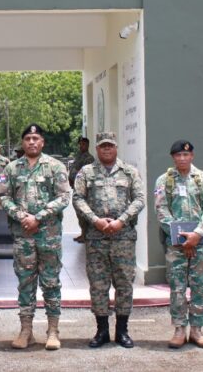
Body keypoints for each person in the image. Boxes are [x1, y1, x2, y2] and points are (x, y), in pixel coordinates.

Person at [0, 124, 70, 350]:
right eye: (28, 138)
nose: (31, 142)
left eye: (36, 138)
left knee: (51, 283)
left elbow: (64, 197)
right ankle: (26, 331)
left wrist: (38, 217)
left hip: (48, 236)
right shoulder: (11, 168)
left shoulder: (55, 166)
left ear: (42, 142)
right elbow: (3, 196)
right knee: (25, 283)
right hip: (23, 236)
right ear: (23, 142)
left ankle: (53, 331)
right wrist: (22, 216)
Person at [72, 132, 146, 349]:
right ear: (97, 149)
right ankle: (102, 330)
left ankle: (122, 331)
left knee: (124, 284)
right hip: (96, 238)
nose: (106, 149)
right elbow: (78, 198)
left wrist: (121, 221)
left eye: (110, 146)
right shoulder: (86, 172)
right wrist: (95, 220)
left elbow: (140, 199)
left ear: (116, 148)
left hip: (123, 238)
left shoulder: (129, 171)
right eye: (103, 146)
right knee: (98, 284)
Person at [153, 140, 203, 349]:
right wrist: (182, 238)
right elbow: (161, 210)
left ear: (192, 156)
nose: (182, 158)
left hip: (201, 242)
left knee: (200, 286)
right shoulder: (164, 181)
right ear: (173, 157)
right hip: (176, 245)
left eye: (186, 155)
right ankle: (180, 329)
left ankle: (197, 330)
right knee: (177, 287)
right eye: (178, 155)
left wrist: (197, 234)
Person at [69, 137, 96, 244]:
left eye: (83, 144)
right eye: (80, 144)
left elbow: (87, 175)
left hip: (83, 189)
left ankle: (86, 235)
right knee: (78, 213)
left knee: (83, 213)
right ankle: (83, 233)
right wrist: (71, 180)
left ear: (88, 145)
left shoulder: (89, 158)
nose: (81, 146)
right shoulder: (79, 156)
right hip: (76, 187)